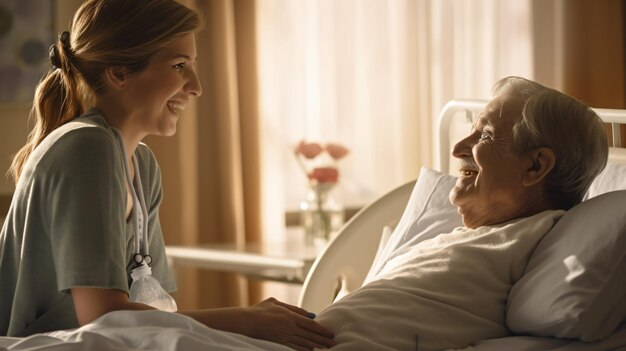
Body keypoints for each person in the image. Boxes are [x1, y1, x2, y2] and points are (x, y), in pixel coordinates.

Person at [0, 1, 334, 350]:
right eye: (179, 66)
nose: (196, 86)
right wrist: (247, 321)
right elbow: (103, 318)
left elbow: (152, 313)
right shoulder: (86, 148)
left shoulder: (141, 165)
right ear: (119, 73)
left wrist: (249, 323)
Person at [312, 76, 609, 350]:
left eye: (485, 136)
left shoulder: (538, 242)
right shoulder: (481, 237)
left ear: (535, 167)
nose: (457, 149)